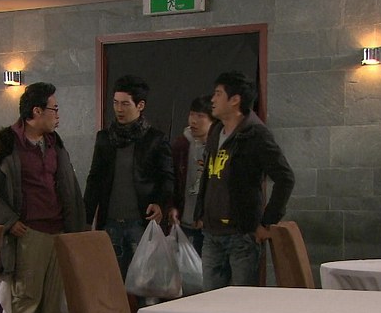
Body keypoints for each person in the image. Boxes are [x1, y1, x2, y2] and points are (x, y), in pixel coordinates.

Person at [0, 82, 86, 313]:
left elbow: (68, 189)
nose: (58, 116)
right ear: (36, 111)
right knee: (26, 304)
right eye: (54, 109)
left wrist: (76, 229)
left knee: (53, 310)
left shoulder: (55, 144)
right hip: (28, 235)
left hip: (58, 233)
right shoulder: (4, 143)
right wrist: (9, 221)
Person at [194, 71, 294, 290]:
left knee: (242, 298)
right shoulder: (216, 130)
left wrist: (267, 222)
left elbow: (285, 178)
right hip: (211, 233)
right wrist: (200, 213)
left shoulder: (255, 134)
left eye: (218, 94)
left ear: (235, 99)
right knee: (210, 299)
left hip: (242, 234)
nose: (213, 99)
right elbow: (209, 175)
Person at [84, 74, 174, 281]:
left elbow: (167, 177)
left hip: (140, 222)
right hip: (110, 222)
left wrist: (161, 204)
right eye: (115, 103)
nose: (119, 109)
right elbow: (94, 179)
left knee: (145, 283)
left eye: (125, 104)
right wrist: (87, 218)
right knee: (111, 282)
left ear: (140, 105)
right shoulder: (105, 138)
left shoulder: (155, 139)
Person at [168, 95, 214, 256]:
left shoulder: (219, 146)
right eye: (191, 115)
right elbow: (172, 179)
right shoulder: (181, 145)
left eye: (200, 116)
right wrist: (172, 206)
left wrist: (206, 216)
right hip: (183, 221)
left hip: (210, 226)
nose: (193, 121)